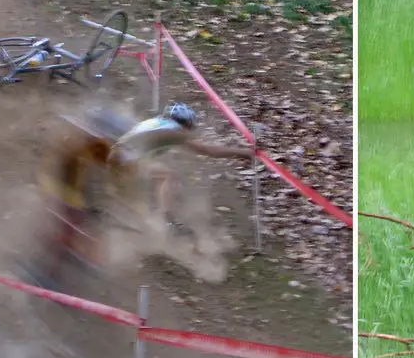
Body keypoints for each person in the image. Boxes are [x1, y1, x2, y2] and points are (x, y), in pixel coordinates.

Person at [26, 102, 253, 290]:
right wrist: (245, 152)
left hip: (109, 159)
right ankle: (154, 225)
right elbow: (209, 151)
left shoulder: (157, 124)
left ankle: (79, 250)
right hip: (116, 164)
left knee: (88, 212)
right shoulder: (174, 131)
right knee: (86, 213)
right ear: (185, 125)